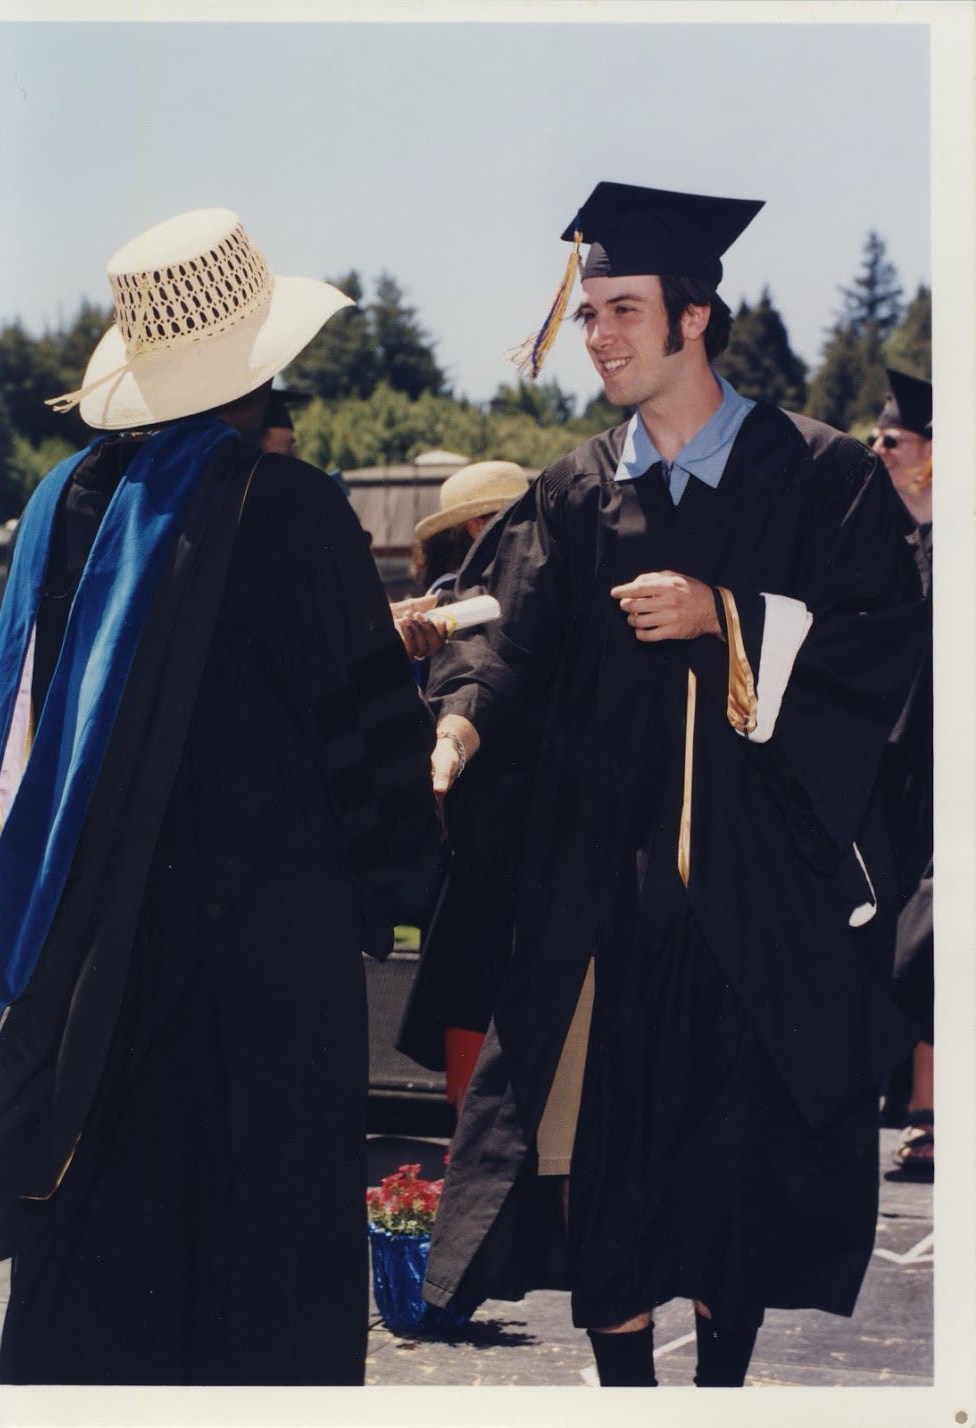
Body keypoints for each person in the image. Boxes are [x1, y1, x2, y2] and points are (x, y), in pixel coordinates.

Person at [418, 182, 927, 1389]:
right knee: (603, 1176)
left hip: (753, 912)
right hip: (602, 912)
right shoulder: (575, 490)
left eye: (623, 310)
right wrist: (466, 720)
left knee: (731, 1183)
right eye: (588, 313)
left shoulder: (817, 479)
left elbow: (883, 641)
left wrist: (730, 616)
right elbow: (504, 631)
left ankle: (721, 1393)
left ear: (695, 316)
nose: (599, 337)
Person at [0, 208, 440, 1386]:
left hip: (82, 960)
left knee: (102, 1271)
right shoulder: (285, 509)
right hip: (257, 968)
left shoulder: (54, 514)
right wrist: (407, 881)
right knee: (251, 1281)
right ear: (260, 365)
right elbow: (367, 738)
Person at [395, 462, 531, 1114]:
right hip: (487, 820)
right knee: (475, 985)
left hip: (477, 826)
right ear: (480, 525)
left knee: (468, 982)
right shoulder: (462, 598)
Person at [870, 369, 934, 1180]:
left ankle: (932, 1112)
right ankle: (919, 1109)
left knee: (930, 935)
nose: (876, 450)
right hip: (892, 769)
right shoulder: (892, 542)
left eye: (890, 440)